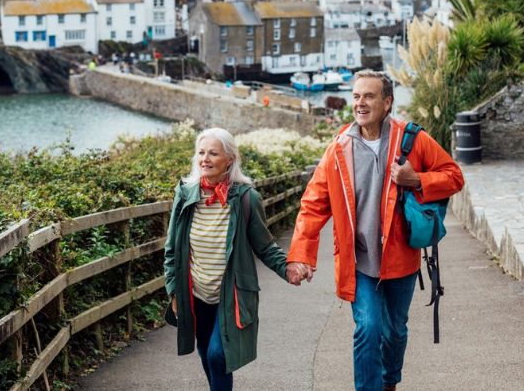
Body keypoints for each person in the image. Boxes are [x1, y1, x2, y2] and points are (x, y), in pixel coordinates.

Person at [286, 70, 464, 391]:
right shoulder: (339, 149)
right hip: (359, 261)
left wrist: (417, 180)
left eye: (368, 96)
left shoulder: (412, 140)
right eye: (356, 96)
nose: (360, 103)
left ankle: (390, 381)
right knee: (367, 328)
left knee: (395, 330)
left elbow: (454, 176)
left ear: (387, 102)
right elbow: (313, 204)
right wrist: (300, 256)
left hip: (401, 259)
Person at [163, 128, 312, 391]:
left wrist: (287, 268)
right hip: (195, 293)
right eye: (201, 152)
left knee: (218, 355)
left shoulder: (245, 198)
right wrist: (174, 291)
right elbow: (171, 248)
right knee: (205, 352)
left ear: (229, 159)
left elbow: (264, 246)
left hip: (231, 295)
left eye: (213, 153)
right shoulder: (185, 195)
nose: (205, 159)